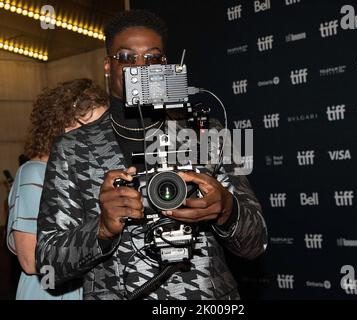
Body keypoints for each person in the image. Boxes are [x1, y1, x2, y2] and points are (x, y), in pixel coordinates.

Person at [36, 10, 267, 300]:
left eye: (152, 57)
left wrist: (227, 210)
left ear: (165, 64)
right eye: (127, 58)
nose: (140, 68)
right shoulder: (72, 149)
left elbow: (256, 242)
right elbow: (48, 262)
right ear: (108, 66)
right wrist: (102, 230)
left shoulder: (206, 134)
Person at [7, 78, 108, 300]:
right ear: (61, 125)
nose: (99, 136)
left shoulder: (92, 175)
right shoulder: (34, 174)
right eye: (90, 127)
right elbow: (30, 260)